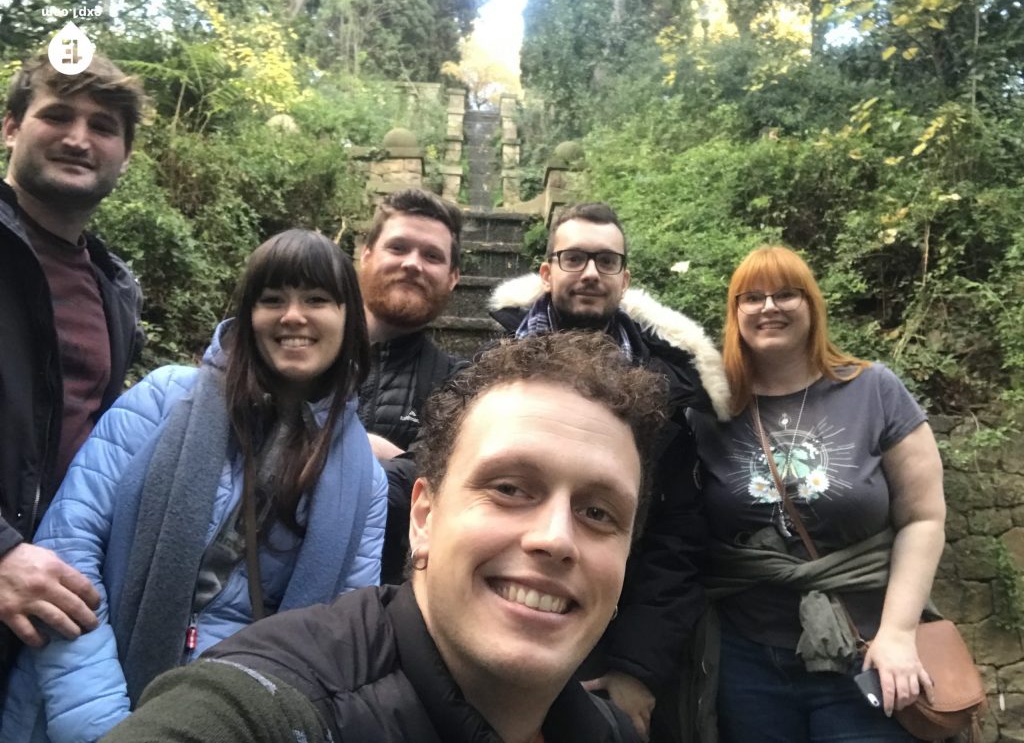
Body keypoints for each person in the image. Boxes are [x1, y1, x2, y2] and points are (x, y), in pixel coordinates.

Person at [99, 332, 668, 743]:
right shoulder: (277, 704)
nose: (555, 538)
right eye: (510, 489)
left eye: (597, 512)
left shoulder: (608, 730)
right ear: (423, 517)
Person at [1, 230, 388, 743]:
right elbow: (69, 548)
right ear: (249, 314)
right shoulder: (165, 400)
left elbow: (334, 640)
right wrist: (106, 727)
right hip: (75, 704)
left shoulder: (365, 482)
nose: (293, 316)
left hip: (226, 720)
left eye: (317, 300)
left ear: (348, 318)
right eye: (273, 300)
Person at [489, 202, 731, 741]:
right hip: (498, 622)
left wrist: (637, 668)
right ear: (547, 271)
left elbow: (678, 539)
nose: (591, 273)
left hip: (609, 644)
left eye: (606, 260)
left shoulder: (668, 394)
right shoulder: (492, 372)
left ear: (626, 278)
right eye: (574, 258)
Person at [687, 245, 946, 742]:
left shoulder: (874, 390)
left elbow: (923, 518)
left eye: (786, 294)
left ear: (812, 305)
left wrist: (898, 635)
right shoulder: (710, 408)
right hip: (749, 659)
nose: (768, 307)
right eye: (752, 297)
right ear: (734, 311)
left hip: (865, 648)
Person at [0, 51, 145, 697]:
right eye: (56, 114)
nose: (80, 138)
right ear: (10, 127)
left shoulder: (113, 291)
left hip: (41, 621)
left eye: (103, 125)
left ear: (126, 153)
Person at [356, 188, 467, 583]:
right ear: (366, 255)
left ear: (453, 278)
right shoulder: (299, 357)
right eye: (398, 247)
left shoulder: (463, 387)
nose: (412, 264)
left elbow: (459, 495)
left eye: (432, 256)